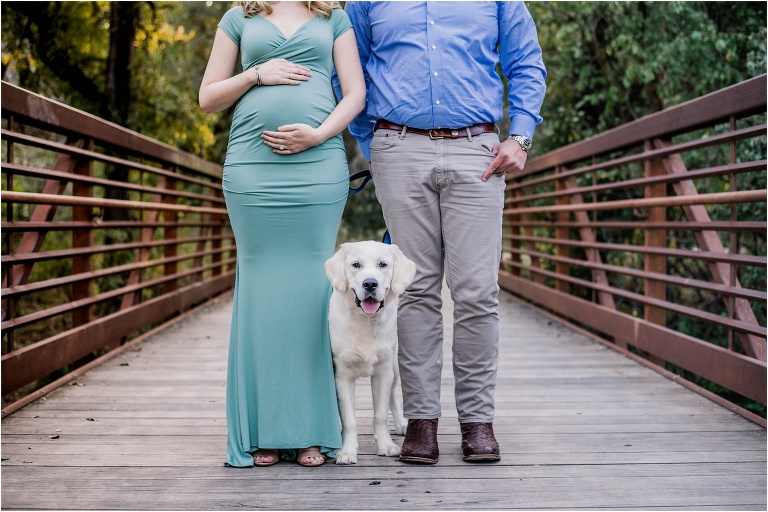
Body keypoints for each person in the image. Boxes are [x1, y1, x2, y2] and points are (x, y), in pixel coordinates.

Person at [338, 2, 546, 464]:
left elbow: (527, 62)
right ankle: (421, 422)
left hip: (479, 150)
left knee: (476, 292)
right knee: (413, 291)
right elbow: (347, 69)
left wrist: (522, 136)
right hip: (398, 148)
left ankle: (477, 422)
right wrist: (371, 142)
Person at [199, 0, 365, 468]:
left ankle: (311, 429)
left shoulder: (334, 16)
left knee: (314, 289)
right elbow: (207, 97)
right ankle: (264, 430)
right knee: (261, 290)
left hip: (318, 164)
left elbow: (355, 94)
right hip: (252, 169)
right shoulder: (239, 18)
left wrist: (318, 135)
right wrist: (255, 74)